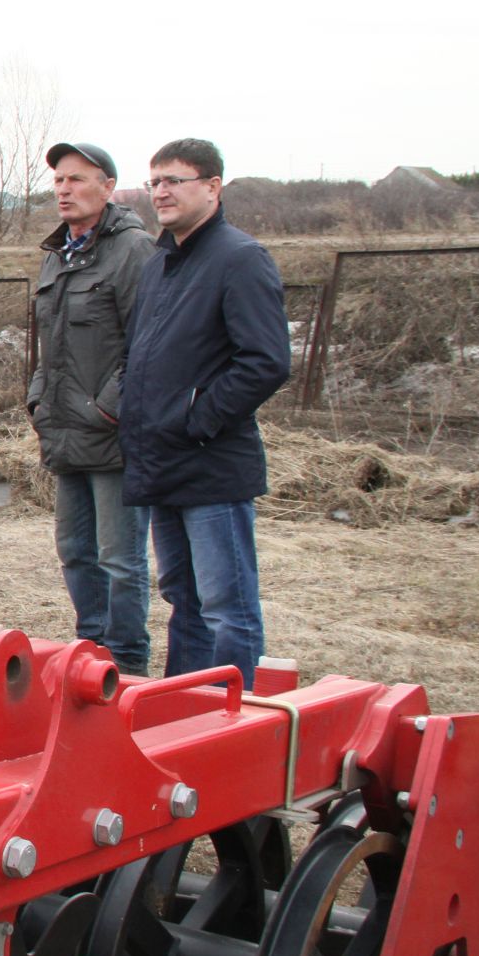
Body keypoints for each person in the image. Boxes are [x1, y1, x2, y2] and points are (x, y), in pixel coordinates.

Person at [119, 139, 291, 686]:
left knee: (226, 606)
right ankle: (182, 714)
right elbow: (140, 354)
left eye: (175, 180)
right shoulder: (160, 264)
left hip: (212, 464)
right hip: (163, 463)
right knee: (184, 602)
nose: (162, 192)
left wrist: (197, 420)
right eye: (155, 182)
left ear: (213, 188)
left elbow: (265, 361)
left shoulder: (239, 258)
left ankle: (232, 722)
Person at [28, 142, 158, 676]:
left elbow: (147, 347)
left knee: (120, 560)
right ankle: (92, 653)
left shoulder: (133, 250)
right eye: (59, 181)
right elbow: (48, 346)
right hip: (64, 430)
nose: (64, 190)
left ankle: (126, 664)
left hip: (111, 435)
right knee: (75, 551)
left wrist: (109, 410)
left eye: (77, 180)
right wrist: (39, 398)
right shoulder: (57, 255)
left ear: (108, 187)